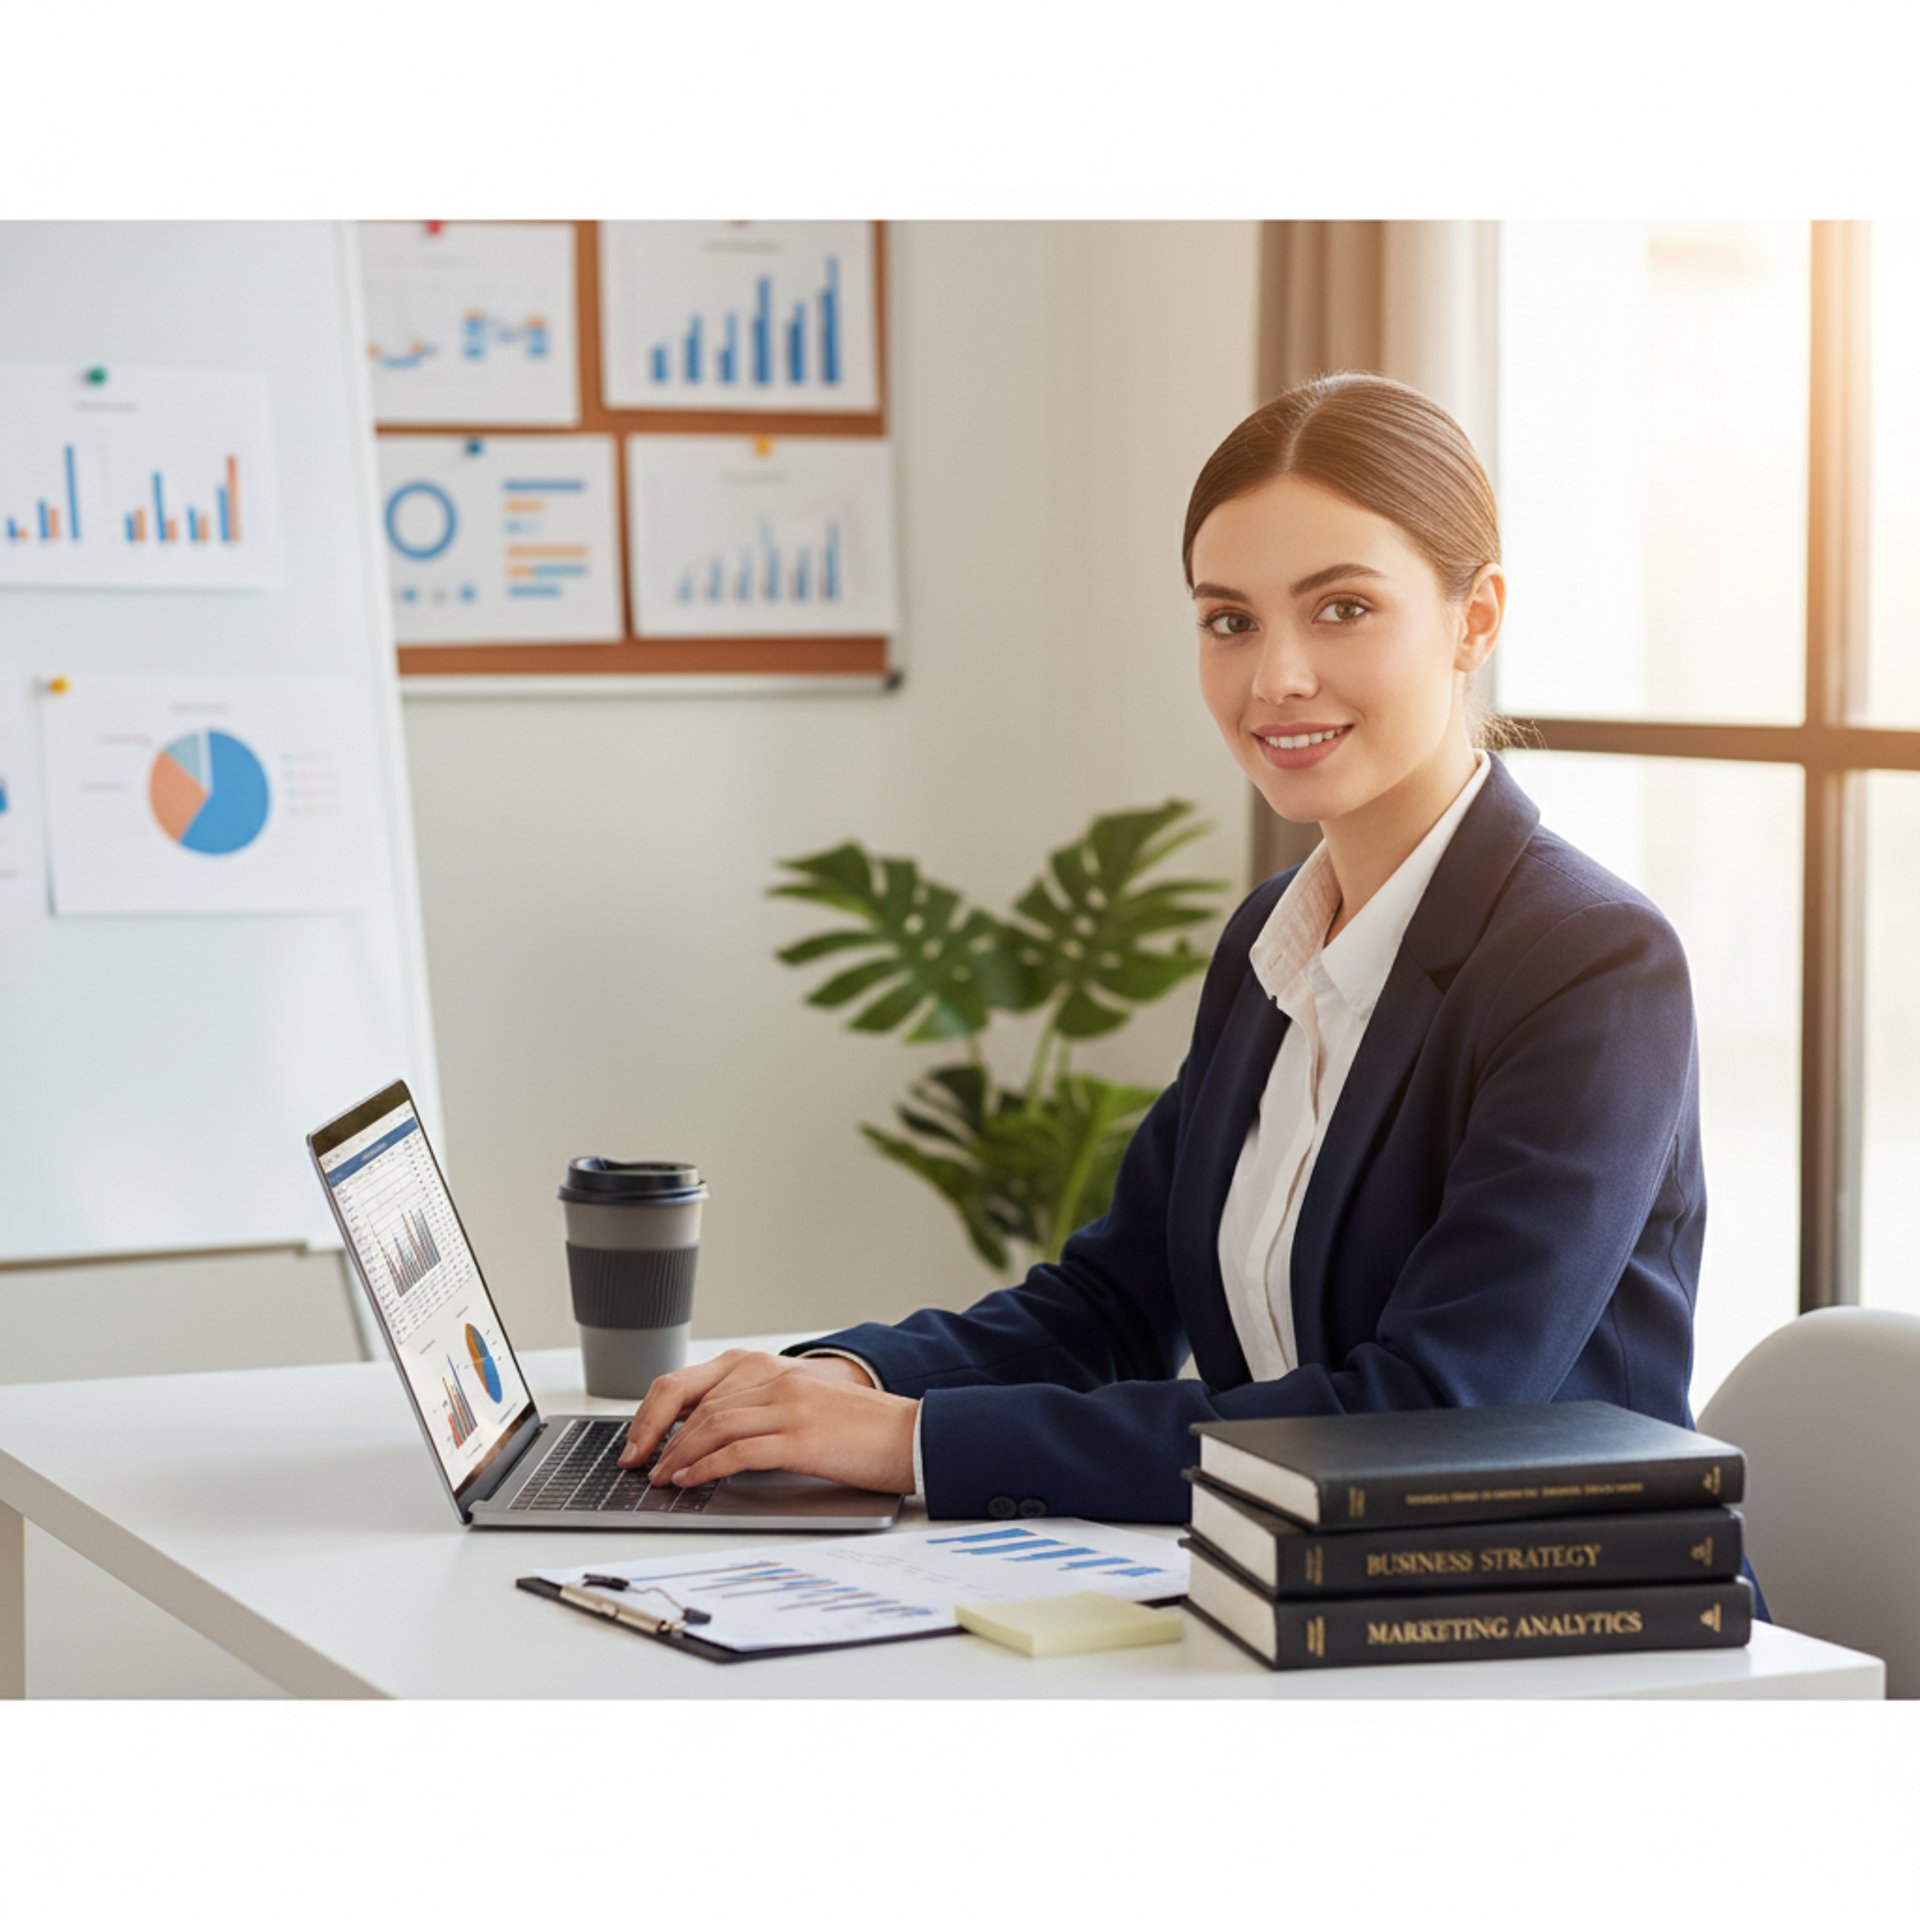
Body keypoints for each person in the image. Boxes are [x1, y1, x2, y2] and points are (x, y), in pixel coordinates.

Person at [618, 370, 1722, 1547]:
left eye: (1342, 608)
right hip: (1286, 1585)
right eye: (1229, 619)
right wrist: (838, 1379)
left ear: (1477, 617)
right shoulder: (1274, 940)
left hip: (1546, 1621)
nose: (1273, 677)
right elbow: (1113, 1300)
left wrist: (906, 1446)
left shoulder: (1590, 965)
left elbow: (1430, 1413)